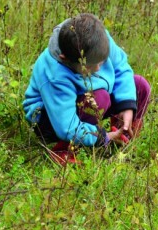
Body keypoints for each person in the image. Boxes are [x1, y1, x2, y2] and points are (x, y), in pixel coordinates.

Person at [23, 13, 151, 165]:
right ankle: (64, 151)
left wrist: (127, 107)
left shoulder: (99, 40)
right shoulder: (55, 74)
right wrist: (104, 136)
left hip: (89, 101)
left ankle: (123, 133)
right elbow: (66, 127)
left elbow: (121, 68)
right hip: (51, 120)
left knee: (140, 85)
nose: (98, 69)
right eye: (90, 66)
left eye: (102, 62)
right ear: (66, 58)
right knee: (99, 98)